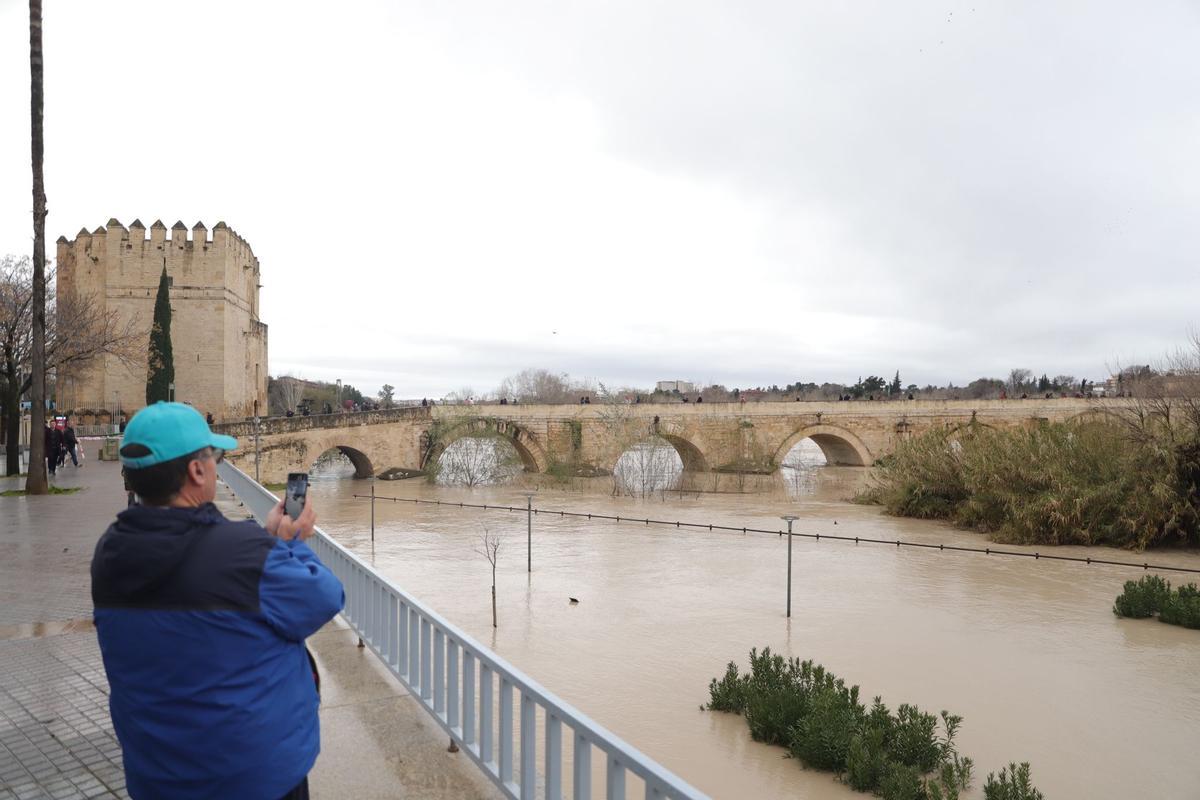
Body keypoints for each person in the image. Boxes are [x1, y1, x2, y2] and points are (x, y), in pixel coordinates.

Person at [91, 402, 344, 800]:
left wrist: (265, 547)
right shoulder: (243, 554)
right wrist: (290, 542)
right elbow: (325, 596)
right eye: (215, 458)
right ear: (196, 471)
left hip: (158, 776)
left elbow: (200, 587)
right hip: (254, 779)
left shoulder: (110, 554)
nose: (216, 466)